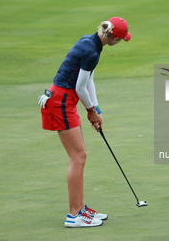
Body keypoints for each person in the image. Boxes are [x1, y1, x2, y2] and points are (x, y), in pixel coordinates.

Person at [37, 17, 131, 227]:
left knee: (80, 155)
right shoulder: (91, 51)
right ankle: (74, 215)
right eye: (121, 40)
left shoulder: (92, 43)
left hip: (65, 100)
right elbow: (80, 87)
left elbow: (89, 82)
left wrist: (97, 110)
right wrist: (90, 112)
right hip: (61, 101)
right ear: (114, 39)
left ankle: (81, 208)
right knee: (77, 156)